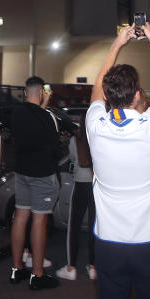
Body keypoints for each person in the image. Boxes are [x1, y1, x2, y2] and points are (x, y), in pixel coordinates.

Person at [86, 23, 150, 299]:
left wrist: (117, 43)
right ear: (138, 95)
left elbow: (96, 90)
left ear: (109, 98)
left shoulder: (95, 127)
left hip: (109, 244)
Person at [9, 76, 61, 289]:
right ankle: (37, 274)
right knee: (39, 221)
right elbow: (54, 142)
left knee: (21, 217)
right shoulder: (48, 117)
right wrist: (46, 105)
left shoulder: (16, 113)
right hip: (42, 174)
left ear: (25, 91)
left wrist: (43, 104)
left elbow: (34, 116)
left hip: (22, 172)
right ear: (41, 91)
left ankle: (16, 268)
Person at [55, 114, 97, 282]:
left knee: (74, 226)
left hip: (80, 184)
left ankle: (71, 267)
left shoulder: (75, 140)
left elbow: (73, 160)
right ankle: (93, 267)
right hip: (96, 186)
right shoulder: (100, 139)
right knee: (95, 227)